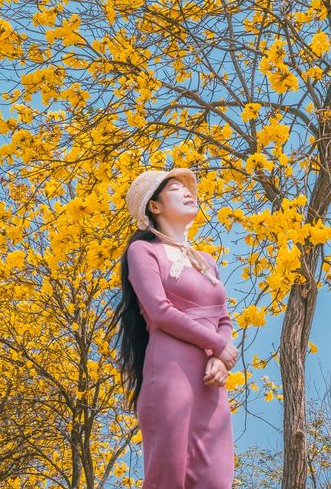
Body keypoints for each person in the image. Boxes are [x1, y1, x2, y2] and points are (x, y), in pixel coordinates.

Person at [108, 167, 238, 488]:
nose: (187, 192)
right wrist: (218, 346)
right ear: (154, 207)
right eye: (175, 189)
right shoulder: (144, 250)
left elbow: (222, 316)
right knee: (170, 476)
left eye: (187, 188)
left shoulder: (206, 260)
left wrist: (221, 359)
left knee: (216, 478)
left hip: (210, 381)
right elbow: (160, 311)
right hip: (171, 374)